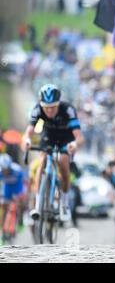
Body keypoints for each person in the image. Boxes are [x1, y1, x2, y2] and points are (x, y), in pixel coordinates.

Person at [21, 84, 84, 222]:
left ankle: (65, 202)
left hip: (66, 138)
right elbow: (28, 132)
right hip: (48, 137)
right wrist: (26, 140)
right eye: (46, 107)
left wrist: (74, 144)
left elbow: (79, 137)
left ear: (59, 103)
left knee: (63, 162)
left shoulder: (68, 109)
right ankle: (38, 203)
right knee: (42, 161)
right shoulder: (37, 109)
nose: (49, 111)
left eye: (53, 107)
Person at [0, 154, 25, 242]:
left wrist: (18, 196)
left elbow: (22, 183)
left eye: (7, 169)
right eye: (3, 170)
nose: (5, 172)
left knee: (20, 202)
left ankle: (20, 219)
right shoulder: (0, 172)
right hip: (7, 188)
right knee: (4, 206)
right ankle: (3, 231)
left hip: (17, 186)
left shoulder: (17, 170)